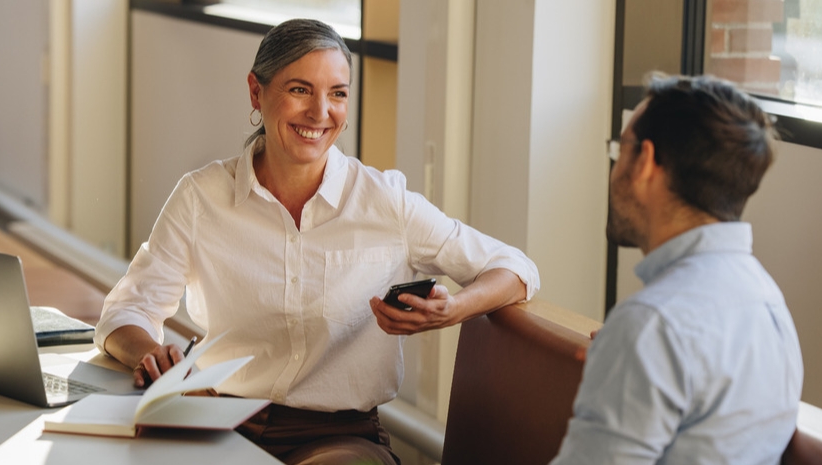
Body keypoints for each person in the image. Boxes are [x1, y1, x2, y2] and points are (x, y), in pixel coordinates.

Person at [95, 19, 539, 465]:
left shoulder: (385, 203)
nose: (320, 112)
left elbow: (516, 269)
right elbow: (124, 312)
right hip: (216, 421)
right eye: (300, 90)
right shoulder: (200, 197)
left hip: (339, 439)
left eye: (338, 93)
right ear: (256, 92)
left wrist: (453, 311)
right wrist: (152, 354)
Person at [550, 74, 803, 464]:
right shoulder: (771, 307)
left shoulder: (652, 326)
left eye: (620, 149)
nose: (614, 169)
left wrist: (632, 347)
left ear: (645, 162)